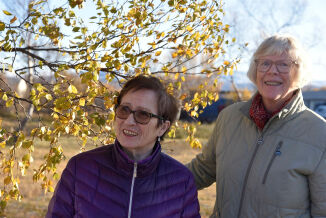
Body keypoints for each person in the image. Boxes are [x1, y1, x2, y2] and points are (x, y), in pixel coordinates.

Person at [187, 34, 326, 217]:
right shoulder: (230, 117)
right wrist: (151, 178)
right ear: (256, 69)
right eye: (265, 63)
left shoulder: (319, 133)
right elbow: (203, 169)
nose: (272, 71)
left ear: (298, 72)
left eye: (284, 64)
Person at [46, 75, 200, 218]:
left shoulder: (181, 182)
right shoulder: (80, 169)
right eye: (124, 110)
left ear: (162, 127)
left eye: (143, 115)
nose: (129, 121)